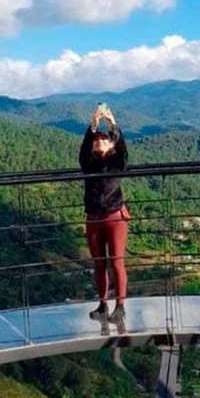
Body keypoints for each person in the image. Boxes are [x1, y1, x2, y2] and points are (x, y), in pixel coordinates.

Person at [79, 104, 129, 322]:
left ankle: (120, 306)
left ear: (111, 145)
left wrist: (112, 123)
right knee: (99, 263)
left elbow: (124, 150)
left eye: (104, 139)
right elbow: (83, 150)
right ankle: (102, 304)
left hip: (114, 216)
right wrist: (93, 125)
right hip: (94, 218)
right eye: (96, 140)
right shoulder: (88, 164)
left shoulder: (117, 163)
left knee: (117, 261)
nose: (99, 141)